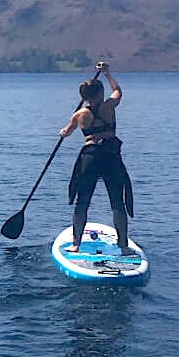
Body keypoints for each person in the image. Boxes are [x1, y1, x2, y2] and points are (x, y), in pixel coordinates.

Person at [59, 61, 135, 254]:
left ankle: (76, 245)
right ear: (101, 94)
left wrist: (63, 132)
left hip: (90, 158)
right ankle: (123, 246)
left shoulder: (79, 115)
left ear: (84, 97)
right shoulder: (110, 106)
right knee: (117, 201)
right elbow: (117, 90)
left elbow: (66, 133)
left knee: (82, 201)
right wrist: (107, 73)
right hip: (110, 156)